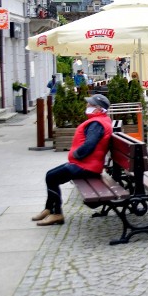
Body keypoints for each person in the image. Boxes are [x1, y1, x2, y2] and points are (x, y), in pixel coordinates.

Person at [32, 94, 113, 226]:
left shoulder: (97, 124)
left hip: (87, 167)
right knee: (50, 175)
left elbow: (90, 145)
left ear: (98, 109)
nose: (87, 106)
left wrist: (76, 154)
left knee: (52, 177)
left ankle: (57, 214)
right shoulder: (99, 121)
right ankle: (49, 209)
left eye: (90, 104)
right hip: (87, 164)